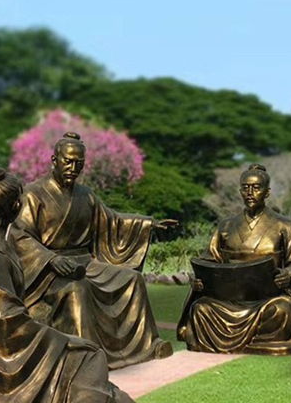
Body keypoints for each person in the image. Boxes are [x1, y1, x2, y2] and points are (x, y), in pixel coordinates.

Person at [0, 167, 140, 403]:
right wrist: (54, 338)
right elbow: (6, 318)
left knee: (80, 345)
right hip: (0, 354)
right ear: (15, 207)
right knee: (90, 354)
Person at [10, 132, 177, 370]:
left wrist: (149, 224)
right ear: (54, 160)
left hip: (85, 262)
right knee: (78, 289)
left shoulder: (85, 195)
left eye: (79, 163)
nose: (73, 168)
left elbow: (112, 221)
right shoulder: (32, 194)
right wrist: (50, 259)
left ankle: (147, 345)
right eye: (68, 161)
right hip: (49, 270)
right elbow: (20, 235)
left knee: (133, 280)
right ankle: (87, 356)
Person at [177, 164, 291, 355]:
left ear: (267, 192)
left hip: (267, 299)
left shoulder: (285, 226)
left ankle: (266, 342)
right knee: (200, 308)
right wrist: (200, 280)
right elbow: (209, 262)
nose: (250, 193)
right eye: (245, 188)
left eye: (256, 188)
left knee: (283, 309)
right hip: (228, 300)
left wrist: (289, 274)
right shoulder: (226, 226)